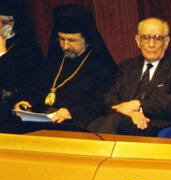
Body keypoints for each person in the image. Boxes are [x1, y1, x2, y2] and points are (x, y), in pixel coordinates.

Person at [8, 4, 114, 132]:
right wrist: (24, 102)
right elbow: (36, 89)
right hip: (41, 121)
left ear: (86, 39)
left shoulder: (101, 68)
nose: (65, 46)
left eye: (72, 40)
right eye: (61, 39)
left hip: (74, 124)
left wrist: (72, 113)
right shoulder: (53, 61)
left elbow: (103, 103)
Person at [89, 17, 171, 136]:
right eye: (145, 38)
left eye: (158, 38)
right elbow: (109, 97)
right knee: (93, 123)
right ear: (138, 41)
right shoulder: (127, 66)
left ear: (166, 42)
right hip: (125, 119)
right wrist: (129, 113)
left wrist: (138, 105)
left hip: (156, 123)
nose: (151, 44)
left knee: (113, 122)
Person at [0, 0, 42, 127]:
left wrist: (2, 54)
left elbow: (14, 82)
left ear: (10, 24)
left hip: (9, 113)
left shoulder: (26, 50)